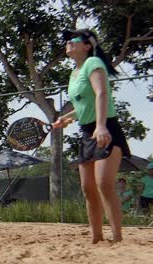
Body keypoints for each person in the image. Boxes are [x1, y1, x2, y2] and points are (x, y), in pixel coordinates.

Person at [53, 29, 131, 243]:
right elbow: (83, 105)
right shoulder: (74, 73)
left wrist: (101, 125)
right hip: (88, 132)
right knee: (88, 189)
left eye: (73, 40)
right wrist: (66, 118)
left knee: (104, 183)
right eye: (67, 41)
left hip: (106, 129)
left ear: (87, 45)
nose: (68, 43)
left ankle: (117, 238)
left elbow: (101, 93)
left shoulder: (93, 63)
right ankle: (96, 238)